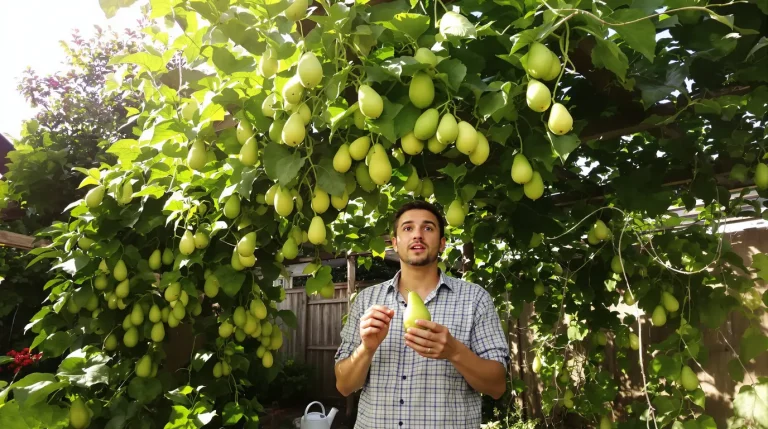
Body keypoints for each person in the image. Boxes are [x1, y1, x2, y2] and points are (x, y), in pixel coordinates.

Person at [334, 200, 509, 428]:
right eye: (408, 228)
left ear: (443, 243)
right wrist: (366, 349)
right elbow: (344, 385)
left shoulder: (475, 299)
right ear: (395, 243)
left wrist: (455, 351)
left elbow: (497, 386)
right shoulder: (367, 300)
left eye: (428, 228)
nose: (417, 235)